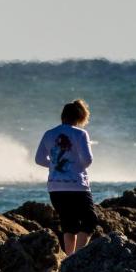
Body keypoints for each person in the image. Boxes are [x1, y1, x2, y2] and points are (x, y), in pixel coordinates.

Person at [35, 99, 97, 256]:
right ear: (79, 118)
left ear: (62, 116)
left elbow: (39, 159)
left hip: (55, 187)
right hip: (77, 185)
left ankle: (69, 258)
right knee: (90, 221)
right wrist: (74, 167)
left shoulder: (49, 134)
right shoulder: (81, 133)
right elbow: (88, 160)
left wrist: (56, 165)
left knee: (69, 225)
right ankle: (77, 257)